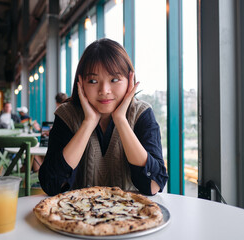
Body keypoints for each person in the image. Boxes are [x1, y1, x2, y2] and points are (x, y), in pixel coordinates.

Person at [39, 38, 168, 196]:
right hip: (76, 216)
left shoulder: (141, 113)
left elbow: (153, 186)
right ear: (81, 82)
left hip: (131, 216)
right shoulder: (67, 115)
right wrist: (88, 123)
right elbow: (51, 184)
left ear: (130, 79)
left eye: (114, 79)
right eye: (93, 81)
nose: (104, 90)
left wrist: (121, 120)